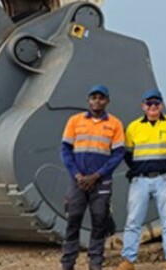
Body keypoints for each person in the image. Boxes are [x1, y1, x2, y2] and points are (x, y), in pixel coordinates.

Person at [118, 88, 166, 270]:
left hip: (164, 179)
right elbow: (128, 154)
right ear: (143, 106)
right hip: (140, 180)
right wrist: (139, 169)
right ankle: (128, 260)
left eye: (156, 103)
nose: (153, 106)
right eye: (149, 103)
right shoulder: (133, 127)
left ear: (161, 105)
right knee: (133, 220)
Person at [60, 85, 126, 270]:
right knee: (73, 220)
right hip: (78, 180)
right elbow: (66, 150)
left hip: (101, 181)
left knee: (99, 221)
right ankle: (67, 264)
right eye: (94, 97)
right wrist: (78, 175)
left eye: (101, 98)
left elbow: (118, 153)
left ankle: (95, 263)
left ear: (107, 101)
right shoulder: (75, 121)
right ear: (88, 100)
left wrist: (97, 175)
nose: (97, 101)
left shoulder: (115, 124)